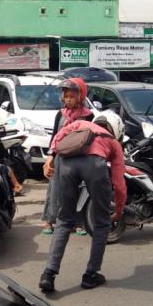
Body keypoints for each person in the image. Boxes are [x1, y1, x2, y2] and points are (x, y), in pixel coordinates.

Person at [39, 111, 127, 293]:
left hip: (65, 163)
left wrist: (50, 157)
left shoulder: (80, 124)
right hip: (94, 166)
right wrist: (118, 210)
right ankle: (90, 275)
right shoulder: (114, 143)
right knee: (102, 223)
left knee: (63, 221)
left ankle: (48, 274)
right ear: (116, 128)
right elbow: (119, 184)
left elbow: (60, 135)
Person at [41, 78, 94, 236]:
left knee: (77, 190)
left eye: (72, 96)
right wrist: (50, 157)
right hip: (60, 158)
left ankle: (78, 223)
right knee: (55, 189)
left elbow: (92, 138)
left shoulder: (88, 116)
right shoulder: (60, 114)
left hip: (79, 158)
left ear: (80, 96)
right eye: (66, 96)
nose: (68, 100)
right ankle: (49, 221)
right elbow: (55, 136)